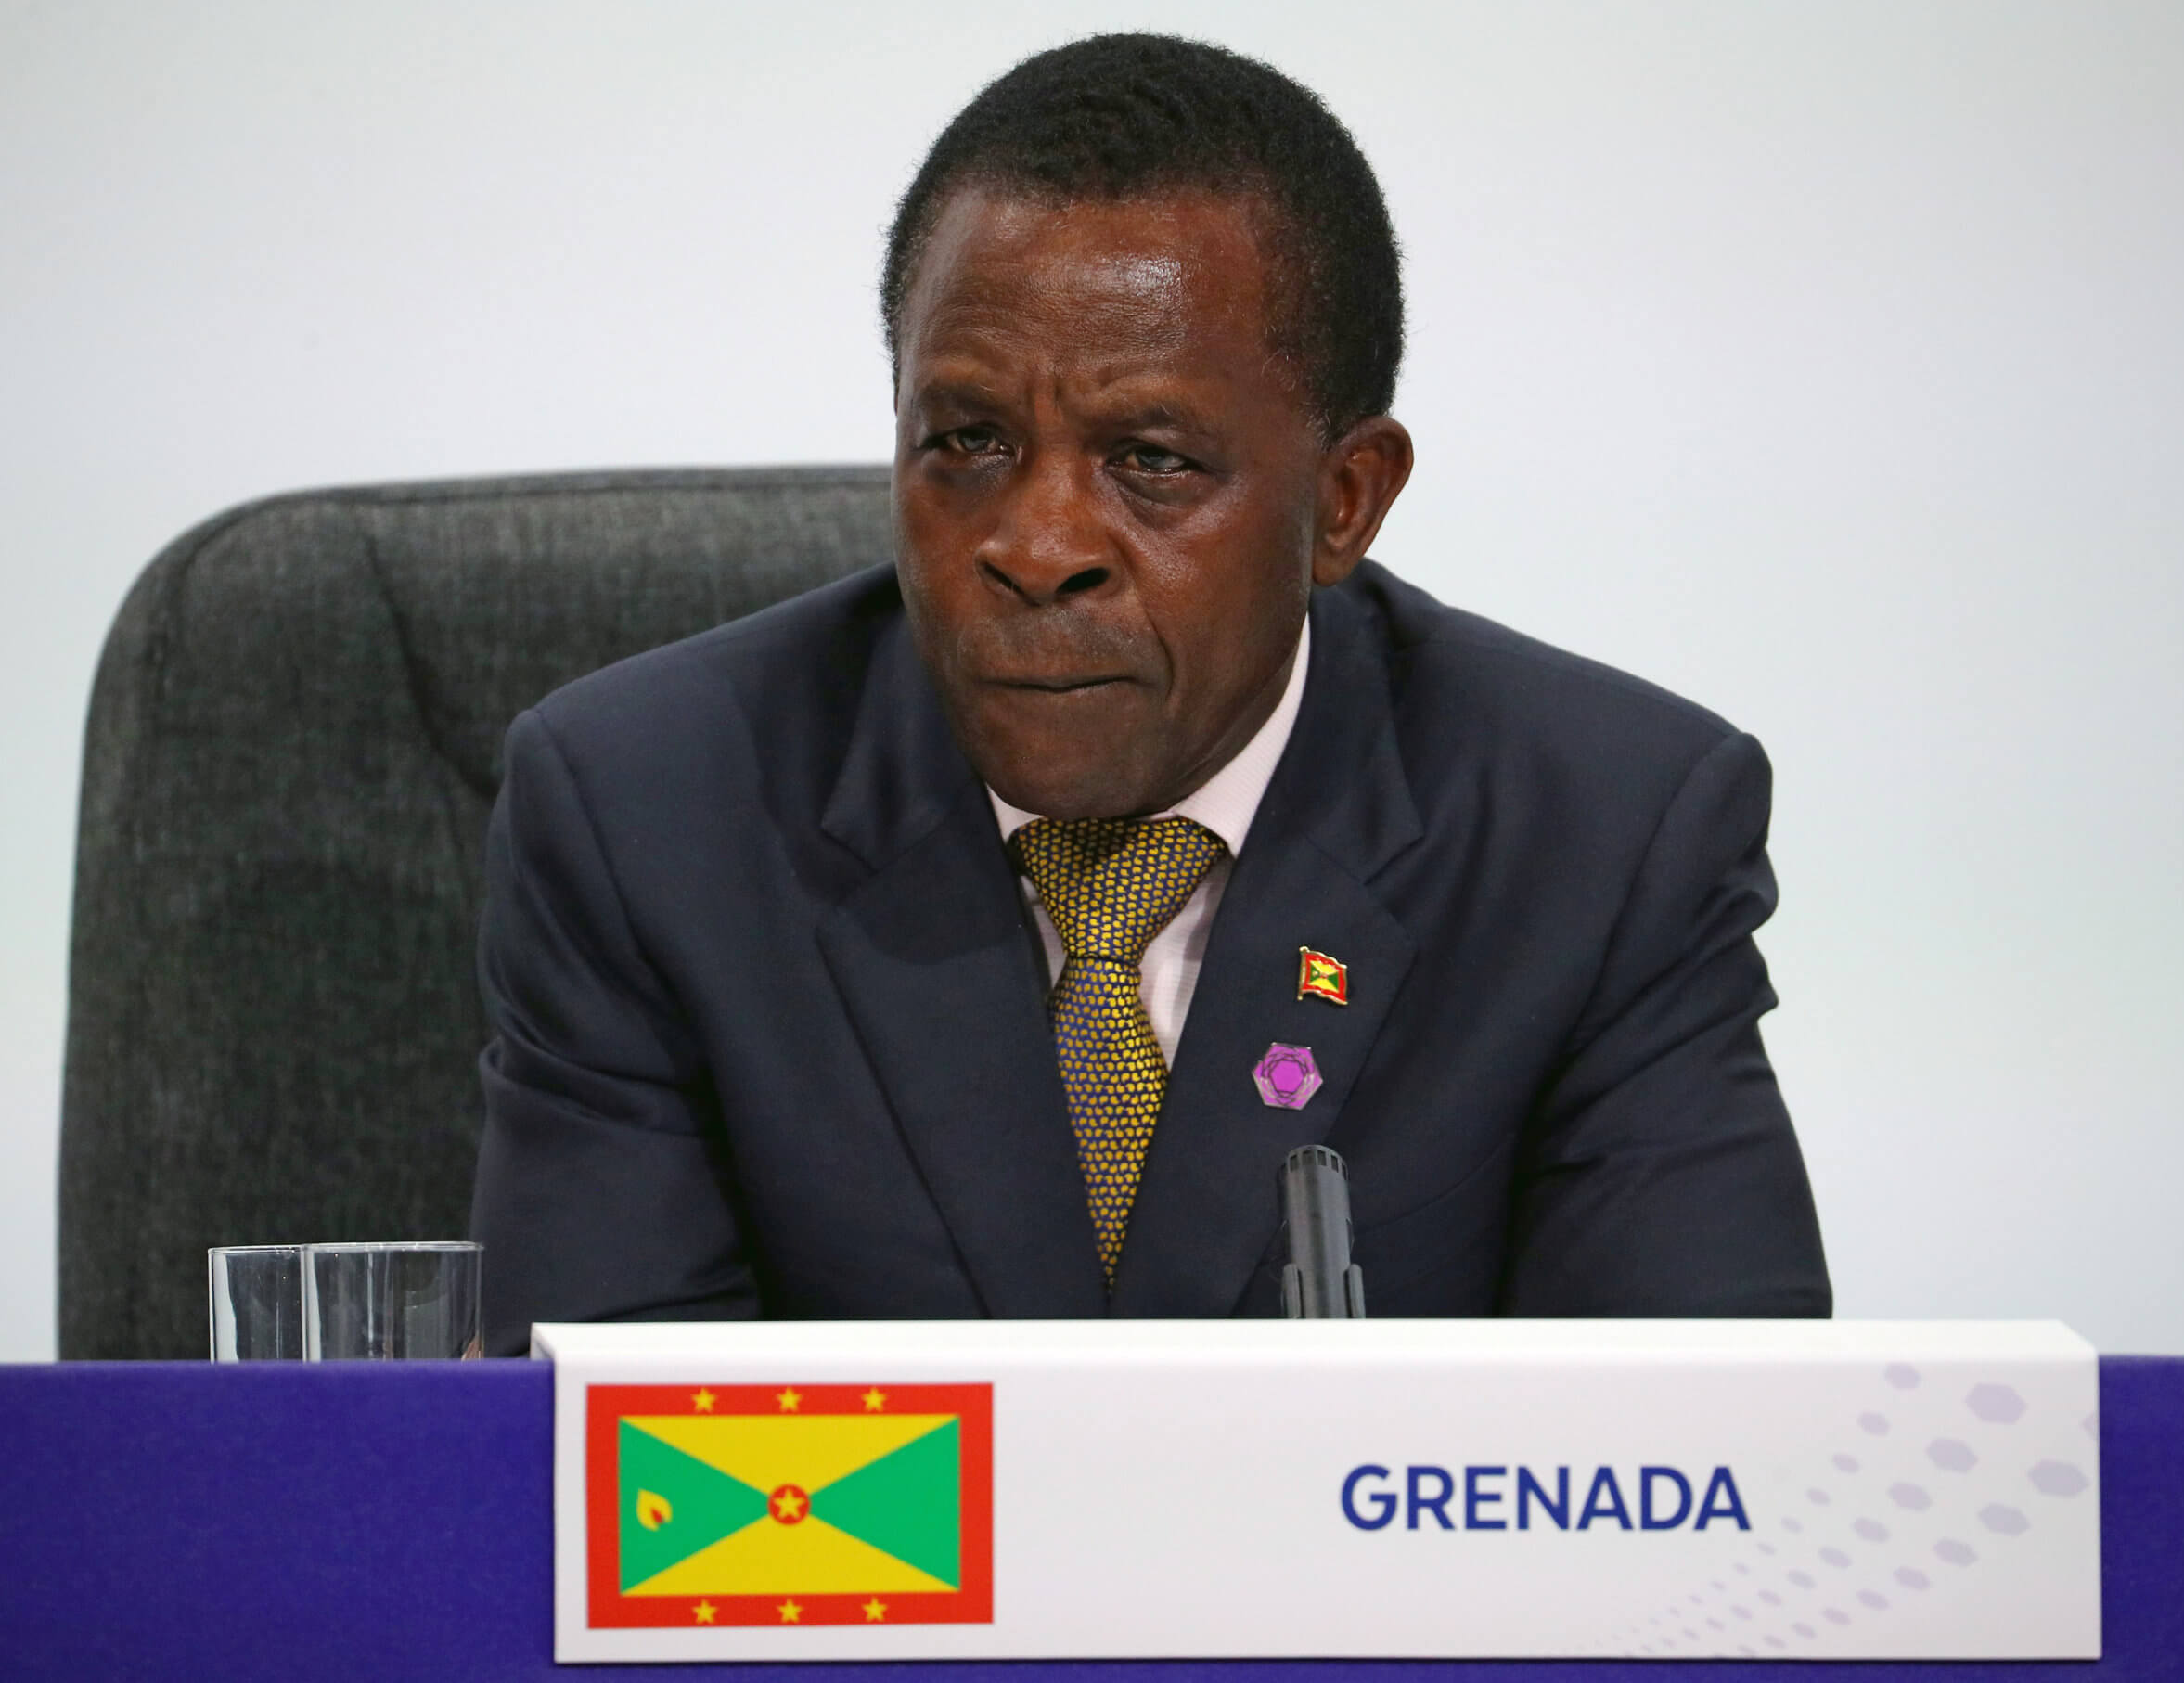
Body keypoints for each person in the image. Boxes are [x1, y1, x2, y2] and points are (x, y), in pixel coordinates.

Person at [469, 33, 1829, 1354]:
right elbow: (618, 1491)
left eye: (1153, 459)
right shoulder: (649, 817)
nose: (1037, 545)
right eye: (969, 442)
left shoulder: (1601, 835)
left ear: (1345, 502)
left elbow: (1694, 1485)